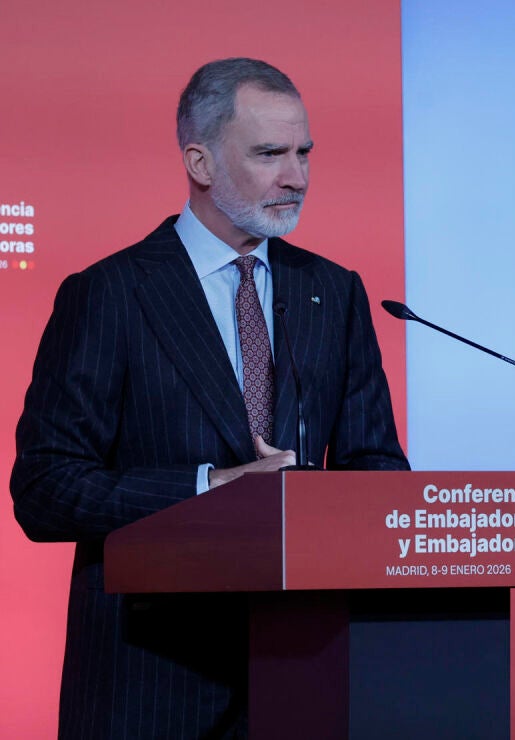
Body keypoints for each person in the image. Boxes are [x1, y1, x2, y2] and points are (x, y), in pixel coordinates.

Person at [10, 58, 409, 738]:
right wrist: (216, 486)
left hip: (306, 676)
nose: (297, 176)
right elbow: (46, 489)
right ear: (199, 161)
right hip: (152, 685)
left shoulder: (334, 292)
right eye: (269, 154)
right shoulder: (110, 294)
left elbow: (377, 471)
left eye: (304, 153)